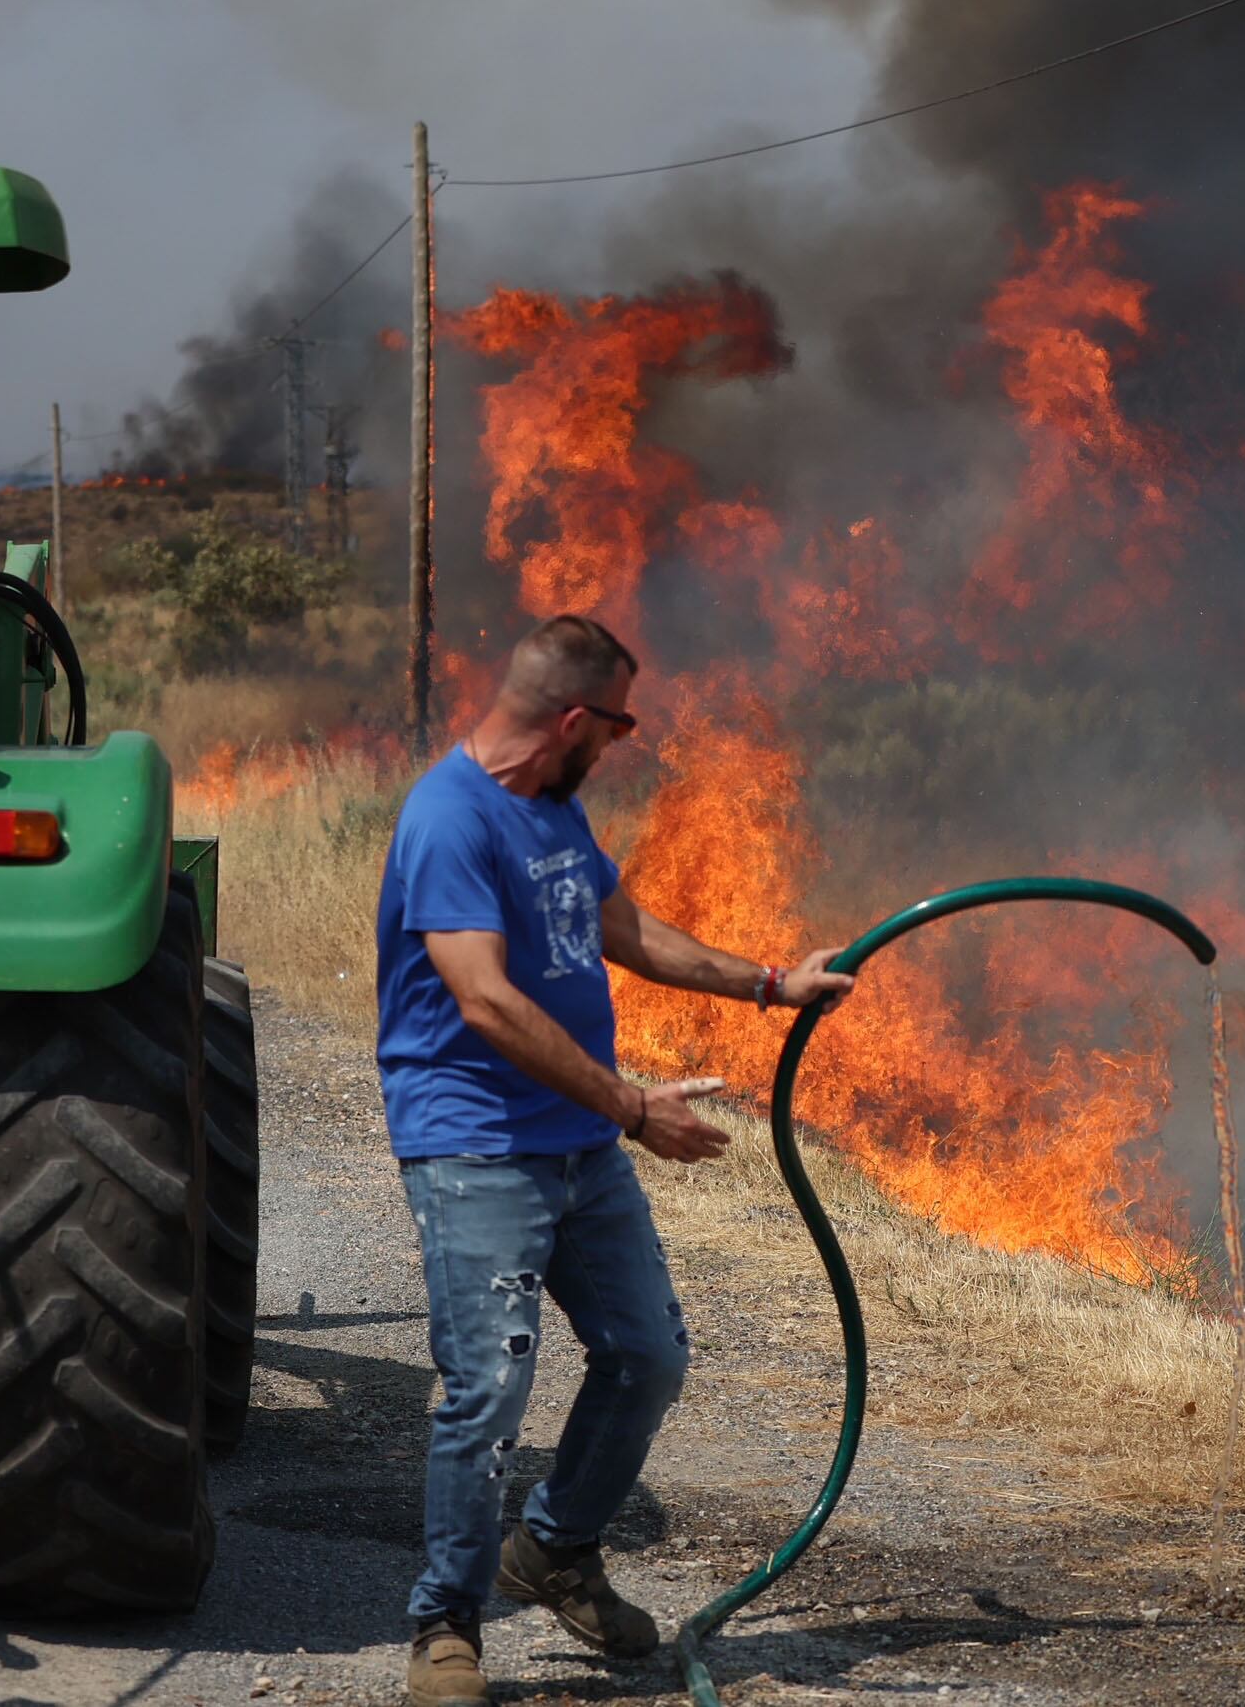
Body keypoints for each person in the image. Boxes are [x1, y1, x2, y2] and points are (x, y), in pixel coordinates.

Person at [377, 612, 853, 1704]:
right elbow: (485, 1000)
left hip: (579, 1145)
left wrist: (772, 985)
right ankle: (445, 1625)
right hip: (476, 1142)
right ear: (576, 718)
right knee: (486, 1386)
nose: (620, 746)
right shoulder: (449, 817)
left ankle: (552, 1549)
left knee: (648, 1356)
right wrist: (635, 1107)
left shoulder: (552, 809)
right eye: (620, 726)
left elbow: (621, 928)